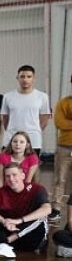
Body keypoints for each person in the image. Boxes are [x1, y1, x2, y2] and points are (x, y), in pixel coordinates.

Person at [0, 162, 50, 259]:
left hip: (32, 237)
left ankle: (3, 243)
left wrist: (19, 220)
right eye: (7, 176)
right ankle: (2, 244)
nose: (11, 179)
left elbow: (47, 209)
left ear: (22, 176)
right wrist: (3, 221)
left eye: (14, 175)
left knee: (40, 215)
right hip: (11, 231)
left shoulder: (36, 189)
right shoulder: (2, 192)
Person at [0, 65, 51, 156]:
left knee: (30, 169)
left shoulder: (42, 97)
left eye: (29, 76)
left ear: (33, 78)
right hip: (11, 139)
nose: (25, 79)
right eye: (22, 76)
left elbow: (44, 120)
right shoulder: (8, 96)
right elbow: (5, 119)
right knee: (9, 168)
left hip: (33, 140)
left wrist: (34, 130)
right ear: (17, 78)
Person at [50, 73, 72, 222]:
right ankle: (56, 209)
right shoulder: (63, 103)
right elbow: (60, 123)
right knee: (60, 179)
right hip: (64, 147)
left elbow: (66, 123)